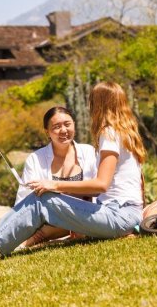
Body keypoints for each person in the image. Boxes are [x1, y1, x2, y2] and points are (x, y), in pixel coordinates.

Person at [0, 81, 145, 268]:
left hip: (120, 215)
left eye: (92, 102)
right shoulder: (126, 133)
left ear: (99, 104)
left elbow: (101, 185)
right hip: (126, 215)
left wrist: (54, 185)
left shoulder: (109, 133)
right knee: (44, 201)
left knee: (41, 201)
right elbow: (138, 181)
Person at [15, 106, 97, 248]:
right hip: (50, 221)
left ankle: (32, 242)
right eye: (57, 127)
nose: (64, 130)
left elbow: (100, 189)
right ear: (47, 132)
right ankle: (37, 238)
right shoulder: (35, 159)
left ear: (74, 125)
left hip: (86, 217)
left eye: (67, 124)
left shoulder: (89, 152)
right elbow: (24, 200)